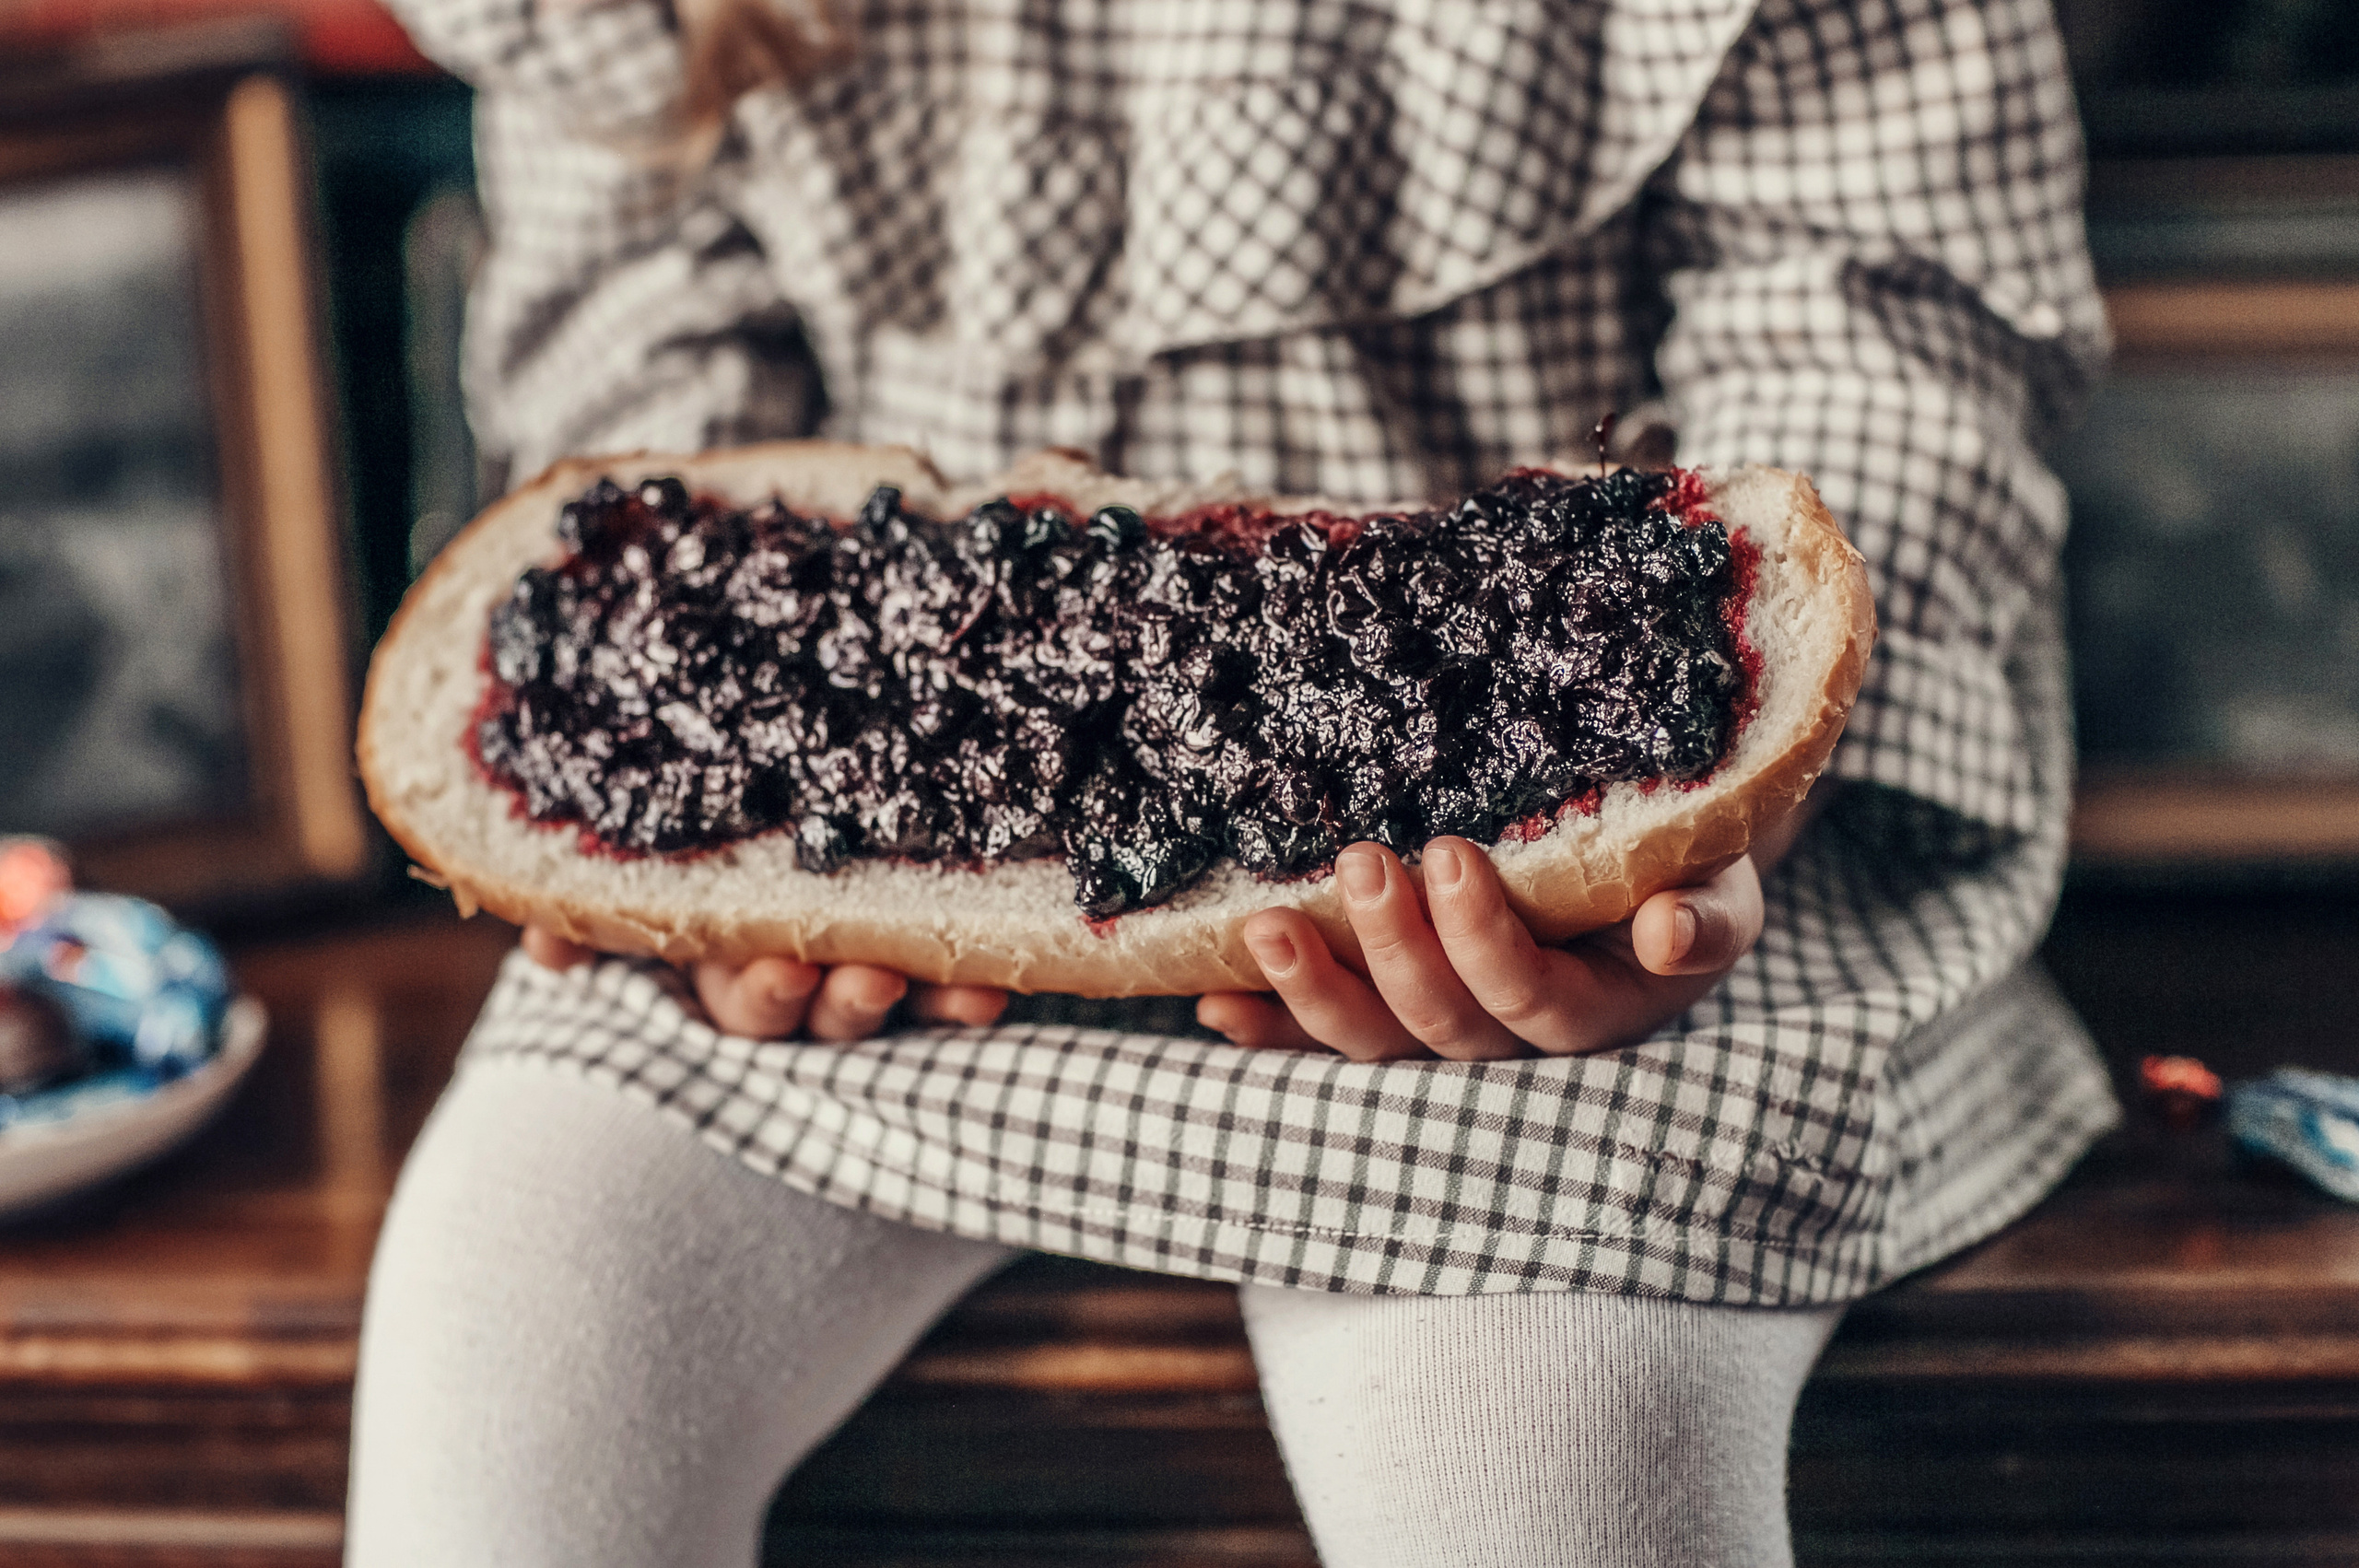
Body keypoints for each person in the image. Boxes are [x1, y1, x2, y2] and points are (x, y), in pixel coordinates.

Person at [348, 0, 2119, 1562]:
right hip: (886, 885)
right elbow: (645, 357)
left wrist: (1721, 789)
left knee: (1532, 1421)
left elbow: (1875, 339)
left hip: (1587, 934)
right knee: (503, 1331)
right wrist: (740, 801)